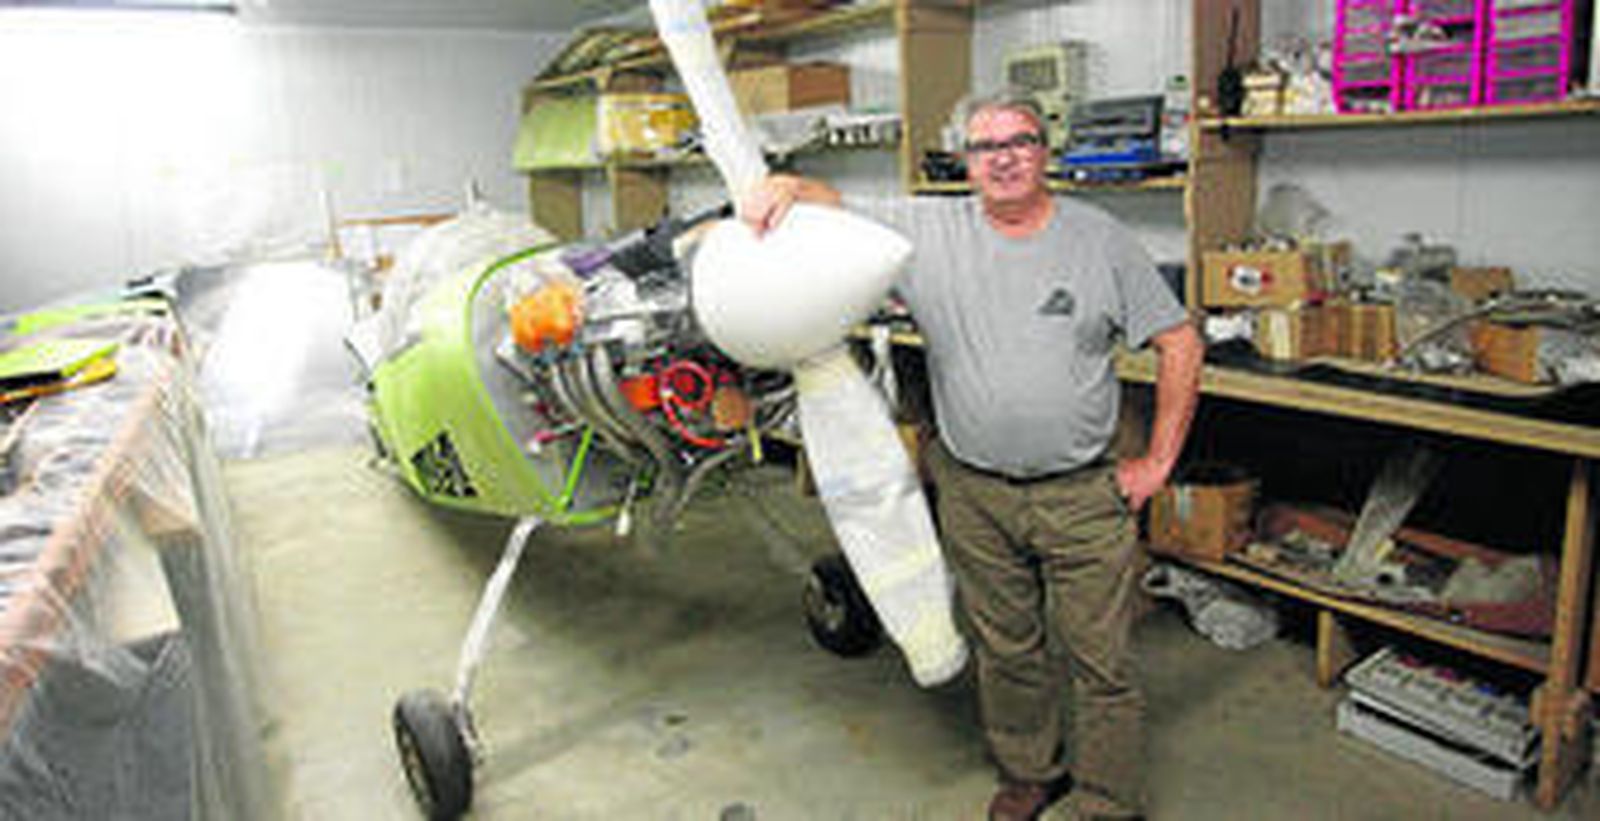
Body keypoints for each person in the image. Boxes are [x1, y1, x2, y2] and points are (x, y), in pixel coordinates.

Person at [740, 89, 1203, 820]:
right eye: (986, 147)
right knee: (1006, 645)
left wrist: (1159, 462)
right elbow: (834, 209)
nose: (1004, 159)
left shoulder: (1099, 238)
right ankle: (1031, 771)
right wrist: (786, 187)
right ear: (966, 161)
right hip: (975, 491)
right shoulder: (929, 230)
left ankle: (1107, 799)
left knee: (1101, 659)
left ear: (1044, 152)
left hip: (1083, 492)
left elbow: (1181, 343)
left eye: (1019, 142)